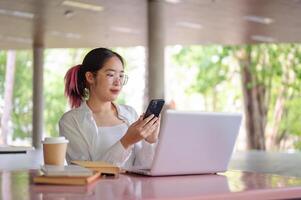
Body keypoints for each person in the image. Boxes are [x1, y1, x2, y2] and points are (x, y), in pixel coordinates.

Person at [59, 47, 160, 168]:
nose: (118, 82)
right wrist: (126, 141)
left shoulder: (130, 113)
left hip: (132, 187)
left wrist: (151, 140)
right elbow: (84, 171)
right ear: (90, 77)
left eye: (121, 76)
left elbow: (144, 167)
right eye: (111, 75)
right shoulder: (70, 121)